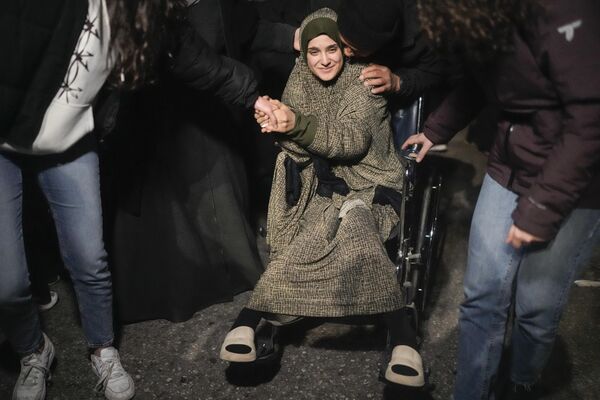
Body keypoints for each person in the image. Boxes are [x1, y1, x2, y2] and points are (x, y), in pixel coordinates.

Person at [0, 0, 275, 399]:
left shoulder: (145, 16)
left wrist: (255, 98)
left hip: (70, 145)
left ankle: (102, 347)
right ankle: (33, 349)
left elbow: (199, 62)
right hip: (5, 142)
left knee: (89, 259)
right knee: (7, 283)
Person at [403, 0, 600, 398]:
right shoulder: (481, 16)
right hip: (509, 165)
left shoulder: (561, 12)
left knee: (534, 306)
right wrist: (436, 129)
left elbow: (589, 120)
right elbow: (481, 79)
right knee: (482, 296)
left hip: (577, 181)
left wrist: (539, 210)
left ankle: (520, 383)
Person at [219, 8, 425, 388]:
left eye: (332, 48)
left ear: (344, 50)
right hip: (324, 189)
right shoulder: (298, 84)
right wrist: (283, 128)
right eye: (314, 52)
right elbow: (298, 156)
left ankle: (403, 341)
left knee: (359, 225)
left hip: (371, 184)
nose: (325, 59)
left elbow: (350, 141)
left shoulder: (363, 81)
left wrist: (296, 124)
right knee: (312, 232)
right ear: (303, 55)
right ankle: (247, 324)